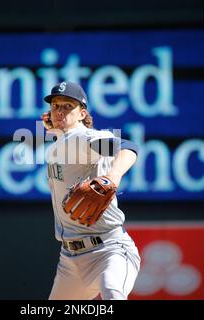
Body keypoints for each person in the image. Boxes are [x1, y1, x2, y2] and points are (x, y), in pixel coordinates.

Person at [41, 81, 141, 300]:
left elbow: (129, 148)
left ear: (82, 113)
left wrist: (113, 176)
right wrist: (56, 129)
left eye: (68, 106)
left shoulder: (83, 137)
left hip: (110, 250)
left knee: (112, 293)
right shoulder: (60, 142)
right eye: (56, 105)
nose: (60, 110)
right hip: (70, 260)